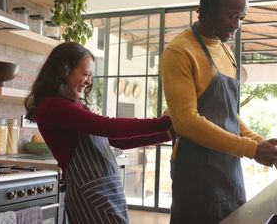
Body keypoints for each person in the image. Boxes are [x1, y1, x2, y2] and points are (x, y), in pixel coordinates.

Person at [160, 0, 277, 224]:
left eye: (241, 17)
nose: (237, 25)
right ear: (209, 11)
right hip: (195, 170)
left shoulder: (225, 51)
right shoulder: (179, 51)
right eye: (232, 16)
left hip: (228, 167)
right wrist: (252, 150)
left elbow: (228, 114)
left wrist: (262, 144)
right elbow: (186, 122)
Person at [24, 42, 172, 224]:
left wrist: (166, 134)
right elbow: (109, 127)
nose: (89, 81)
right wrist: (163, 123)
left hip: (105, 192)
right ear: (64, 71)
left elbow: (117, 140)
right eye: (85, 74)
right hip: (91, 194)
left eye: (91, 75)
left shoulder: (72, 106)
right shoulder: (53, 106)